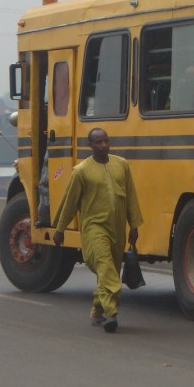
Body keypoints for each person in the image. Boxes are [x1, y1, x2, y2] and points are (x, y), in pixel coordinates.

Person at [52, 128, 143, 332]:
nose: (103, 145)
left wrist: (134, 226)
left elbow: (131, 198)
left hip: (118, 227)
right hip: (94, 227)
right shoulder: (81, 171)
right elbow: (70, 203)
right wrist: (60, 229)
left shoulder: (122, 165)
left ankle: (97, 309)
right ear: (90, 146)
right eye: (98, 142)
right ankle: (111, 313)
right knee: (105, 266)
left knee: (109, 268)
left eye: (106, 141)